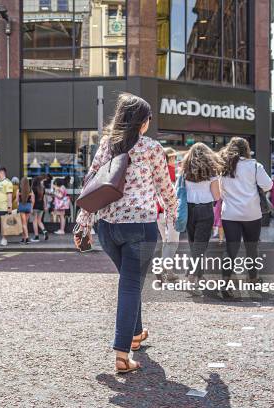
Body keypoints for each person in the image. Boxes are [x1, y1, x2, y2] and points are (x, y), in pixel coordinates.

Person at [75, 93, 177, 374]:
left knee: (131, 281)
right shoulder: (151, 148)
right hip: (140, 227)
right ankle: (122, 355)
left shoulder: (107, 145)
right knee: (131, 285)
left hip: (107, 227)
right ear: (142, 122)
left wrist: (83, 222)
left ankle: (136, 333)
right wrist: (172, 213)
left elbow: (90, 183)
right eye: (148, 119)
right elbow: (164, 187)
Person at [219, 137, 273, 298]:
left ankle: (225, 282)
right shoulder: (255, 166)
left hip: (229, 214)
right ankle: (253, 278)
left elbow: (219, 188)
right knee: (251, 248)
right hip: (251, 213)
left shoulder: (223, 166)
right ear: (246, 149)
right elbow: (268, 185)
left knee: (231, 249)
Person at [180, 143, 222, 286]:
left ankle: (198, 274)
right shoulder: (212, 172)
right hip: (205, 209)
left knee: (194, 244)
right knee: (201, 244)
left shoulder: (184, 171)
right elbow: (217, 196)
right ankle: (193, 274)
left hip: (189, 209)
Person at [156, 148, 179, 282]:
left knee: (166, 242)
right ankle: (162, 267)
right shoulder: (172, 171)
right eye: (174, 158)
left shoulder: (157, 171)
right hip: (171, 211)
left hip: (159, 213)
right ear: (170, 158)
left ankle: (169, 272)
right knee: (172, 243)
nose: (175, 160)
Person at [17, 177, 35, 244]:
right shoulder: (30, 190)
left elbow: (17, 201)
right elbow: (33, 201)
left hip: (22, 207)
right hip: (28, 207)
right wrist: (31, 208)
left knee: (23, 224)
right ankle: (23, 238)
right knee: (25, 224)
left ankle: (26, 238)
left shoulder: (19, 190)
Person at [31, 176, 49, 242]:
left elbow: (33, 200)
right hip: (41, 207)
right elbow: (44, 199)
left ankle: (36, 237)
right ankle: (45, 231)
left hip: (35, 207)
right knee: (39, 221)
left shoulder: (33, 188)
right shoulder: (42, 188)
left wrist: (31, 208)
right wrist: (45, 206)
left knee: (34, 221)